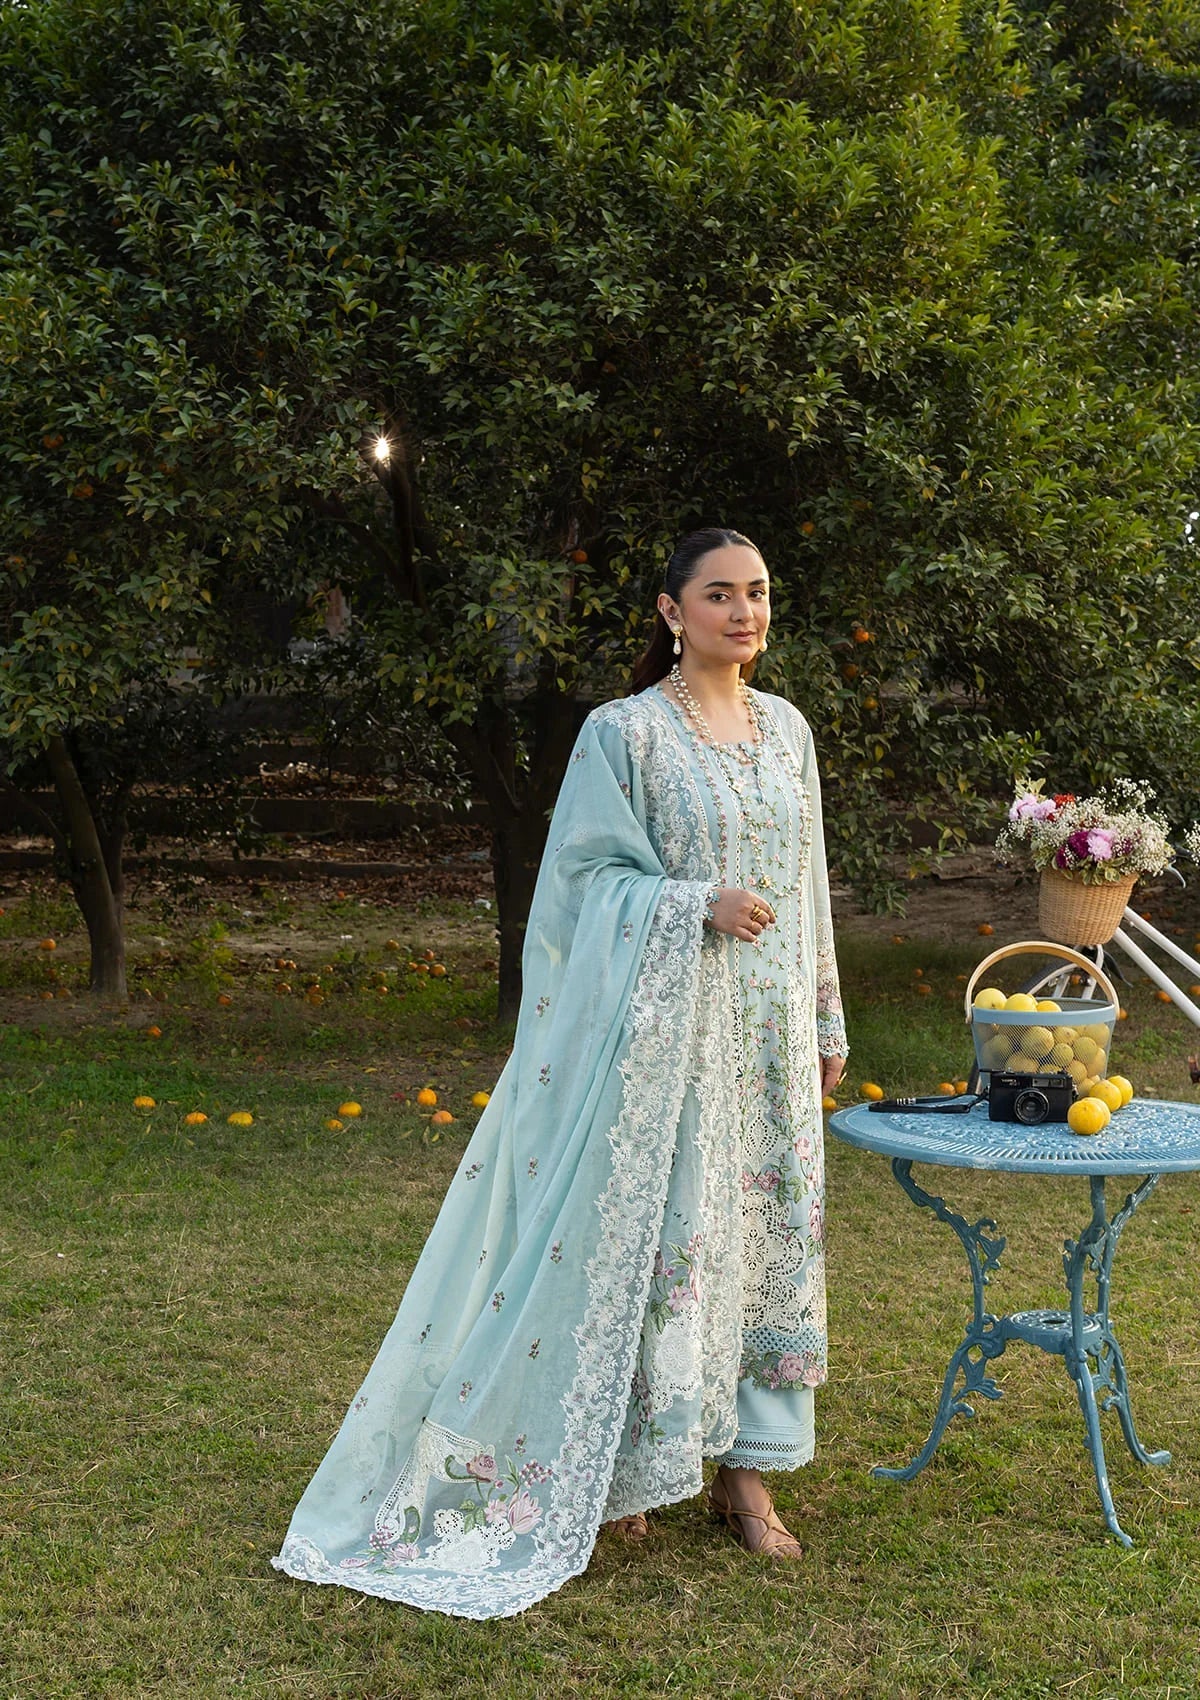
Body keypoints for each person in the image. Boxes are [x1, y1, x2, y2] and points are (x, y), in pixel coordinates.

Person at [272, 526, 848, 1620]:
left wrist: (826, 1018)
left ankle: (746, 1471)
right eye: (720, 595)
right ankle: (627, 1468)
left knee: (764, 1237)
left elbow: (808, 880)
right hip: (665, 1040)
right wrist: (695, 904)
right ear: (671, 611)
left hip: (768, 1039)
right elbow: (583, 885)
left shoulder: (788, 730)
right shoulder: (623, 734)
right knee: (659, 1236)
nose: (745, 613)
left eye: (759, 593)